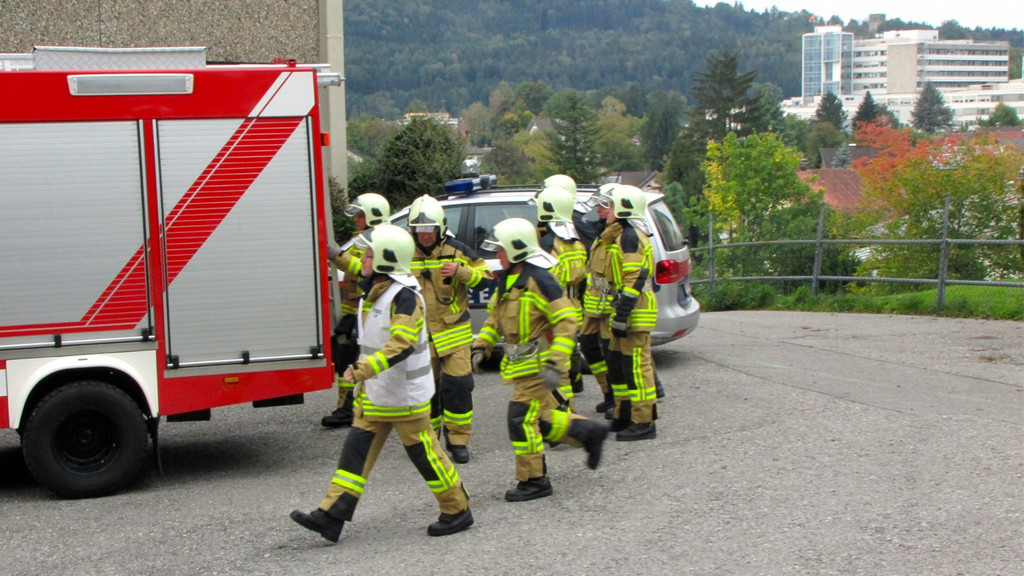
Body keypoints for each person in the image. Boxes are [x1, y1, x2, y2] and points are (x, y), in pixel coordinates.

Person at [291, 224, 473, 543]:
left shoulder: (405, 297)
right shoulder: (378, 289)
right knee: (355, 454)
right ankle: (331, 514)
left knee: (427, 457)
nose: (362, 259)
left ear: (386, 259)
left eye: (368, 255)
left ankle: (457, 509)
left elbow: (402, 344)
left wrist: (363, 370)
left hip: (404, 398)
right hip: (378, 394)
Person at [471, 218, 609, 502]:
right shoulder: (508, 280)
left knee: (520, 418)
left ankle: (534, 480)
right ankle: (589, 432)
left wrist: (555, 363)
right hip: (522, 366)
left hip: (539, 366)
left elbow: (567, 321)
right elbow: (495, 319)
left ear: (516, 249)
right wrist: (481, 345)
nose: (497, 255)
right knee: (543, 420)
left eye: (501, 250)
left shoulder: (541, 280)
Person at [407, 195, 493, 464]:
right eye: (419, 230)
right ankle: (430, 441)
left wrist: (462, 272)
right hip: (421, 337)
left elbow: (486, 279)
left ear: (441, 228)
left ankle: (458, 441)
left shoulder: (458, 250)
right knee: (426, 392)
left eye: (430, 230)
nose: (425, 235)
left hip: (453, 333)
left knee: (459, 387)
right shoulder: (404, 252)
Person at [322, 193, 391, 428]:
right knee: (345, 359)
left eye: (360, 215)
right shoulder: (363, 239)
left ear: (372, 216)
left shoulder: (379, 240)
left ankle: (348, 409)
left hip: (366, 313)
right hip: (353, 312)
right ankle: (347, 406)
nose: (356, 220)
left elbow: (365, 270)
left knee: (352, 360)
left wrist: (338, 256)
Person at [602, 185, 659, 441]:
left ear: (624, 208)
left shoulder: (630, 237)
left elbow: (634, 277)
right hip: (627, 309)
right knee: (619, 363)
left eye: (611, 206)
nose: (607, 211)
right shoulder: (623, 235)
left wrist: (622, 315)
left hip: (635, 311)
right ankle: (624, 414)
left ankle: (644, 422)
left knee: (637, 367)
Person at [534, 185, 588, 411]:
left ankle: (562, 413)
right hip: (572, 307)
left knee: (554, 367)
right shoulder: (576, 243)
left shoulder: (548, 245)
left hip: (553, 312)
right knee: (565, 360)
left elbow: (542, 284)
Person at [579, 183, 618, 415]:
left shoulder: (620, 237)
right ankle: (609, 393)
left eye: (605, 206)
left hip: (609, 305)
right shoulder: (603, 234)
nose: (599, 210)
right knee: (589, 345)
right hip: (595, 304)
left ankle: (618, 399)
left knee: (613, 352)